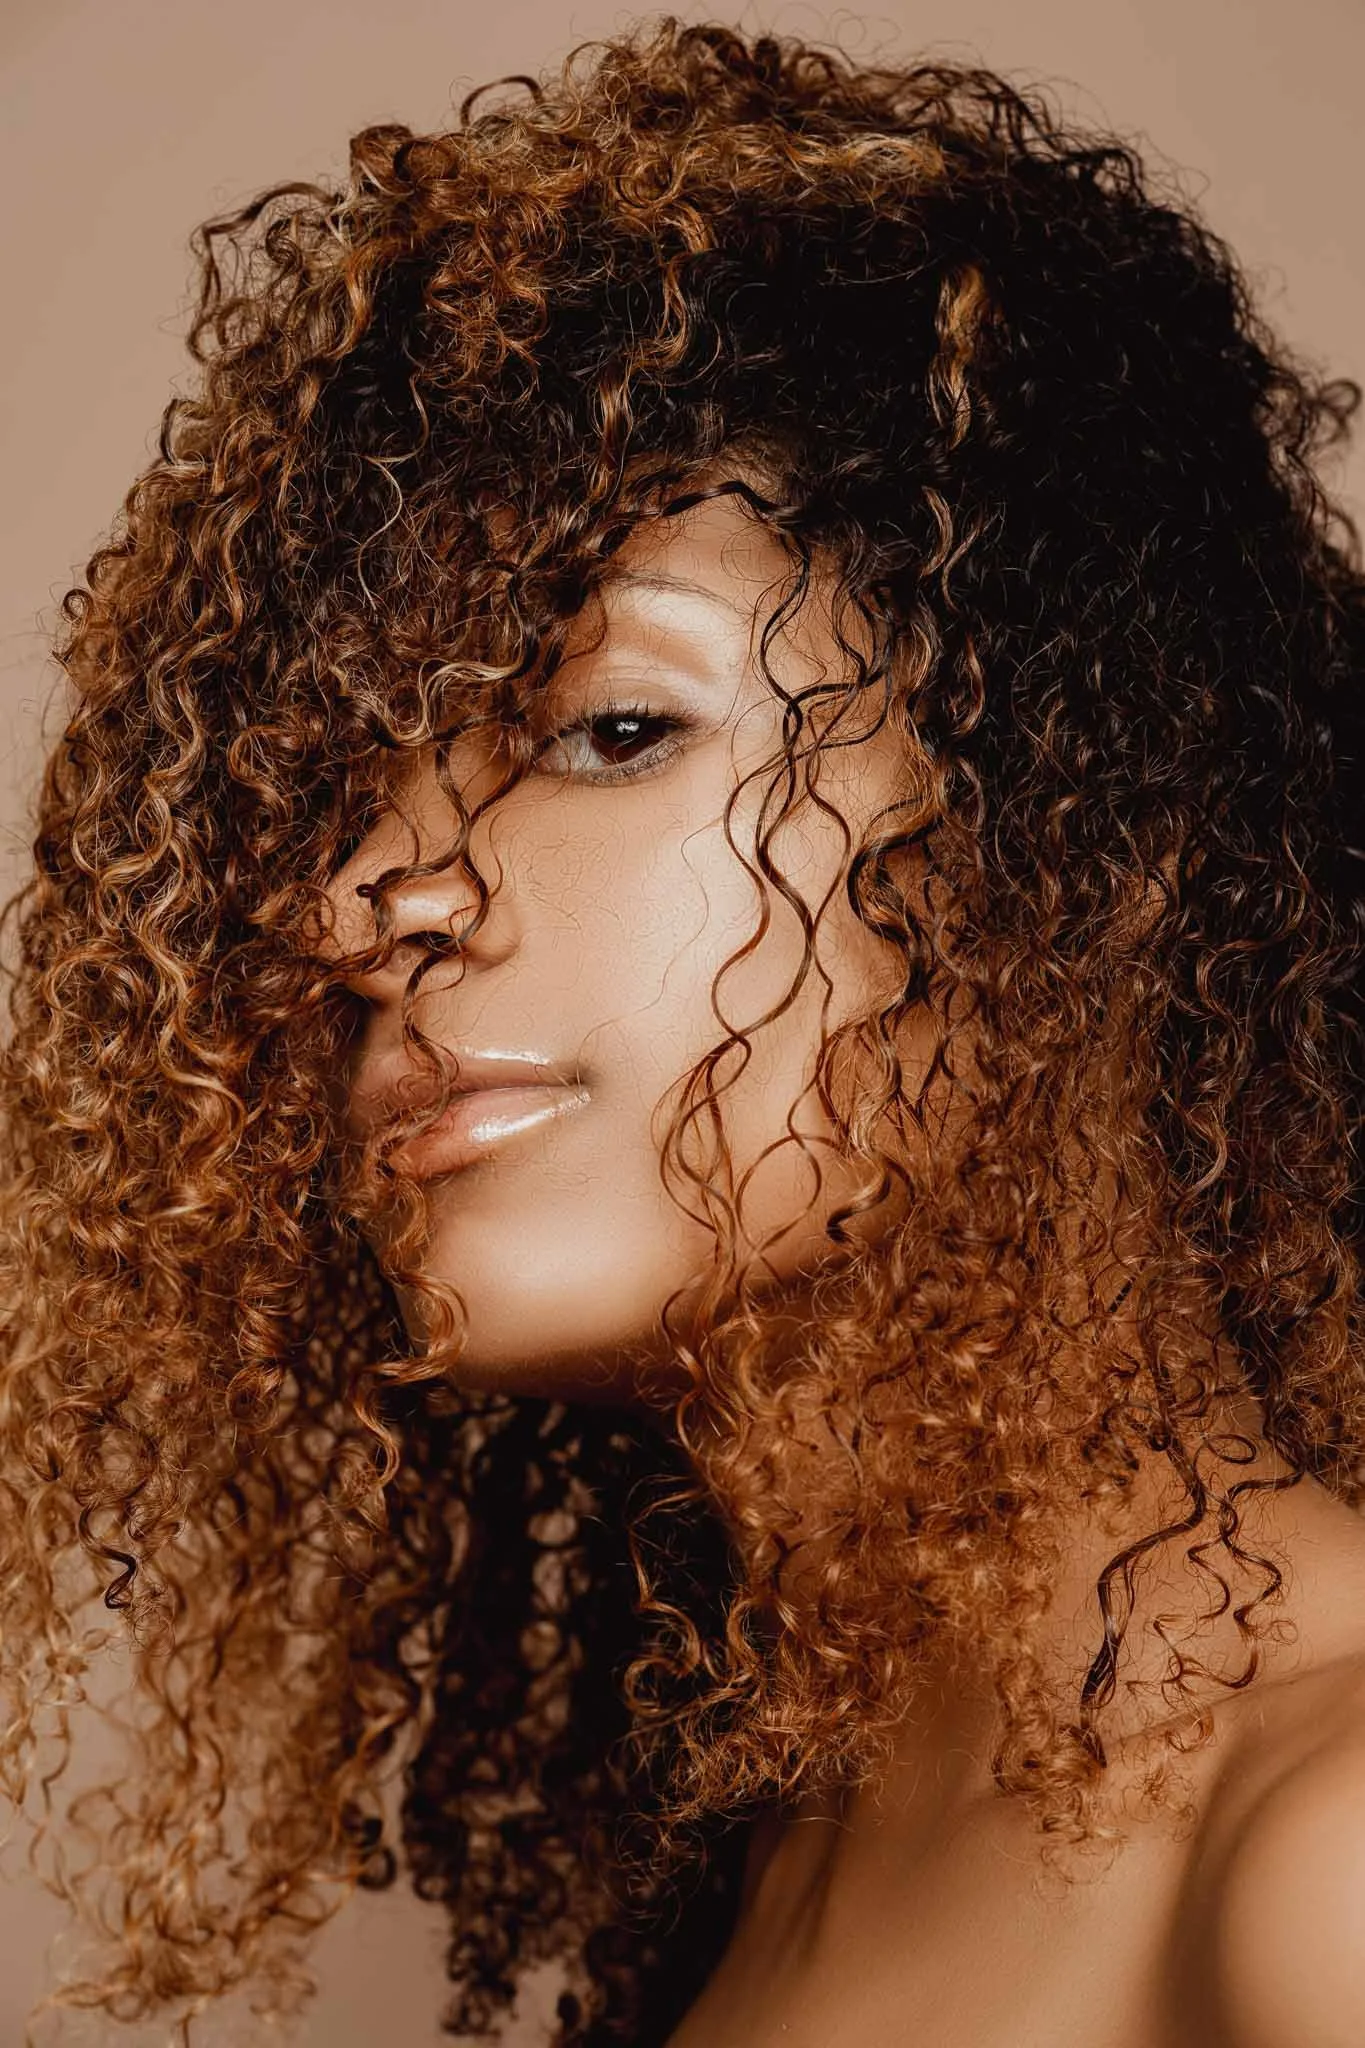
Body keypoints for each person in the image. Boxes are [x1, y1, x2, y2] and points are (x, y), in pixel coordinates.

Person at [1, 14, 1363, 2046]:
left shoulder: (1322, 1844)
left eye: (607, 726)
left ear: (1072, 834)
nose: (369, 898)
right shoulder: (777, 1855)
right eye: (332, 797)